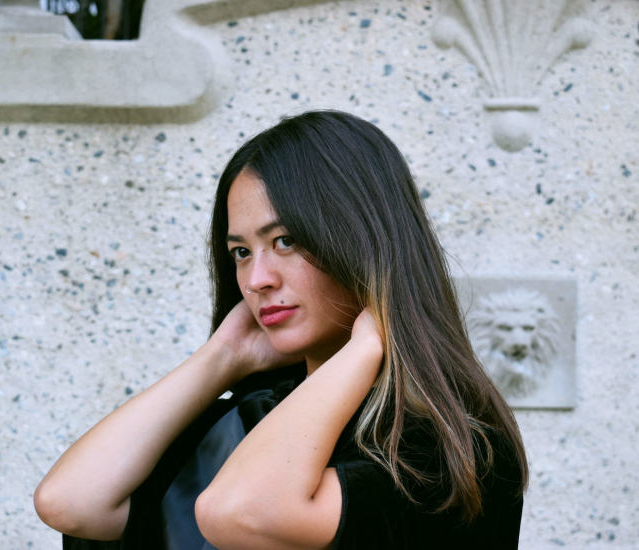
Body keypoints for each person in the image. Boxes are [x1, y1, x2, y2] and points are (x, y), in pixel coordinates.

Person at [34, 110, 528, 549]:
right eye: (241, 252)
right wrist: (223, 355)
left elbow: (239, 512)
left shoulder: (448, 450)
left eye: (286, 240)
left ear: (362, 244)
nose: (255, 279)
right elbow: (71, 502)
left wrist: (371, 342)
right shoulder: (246, 420)